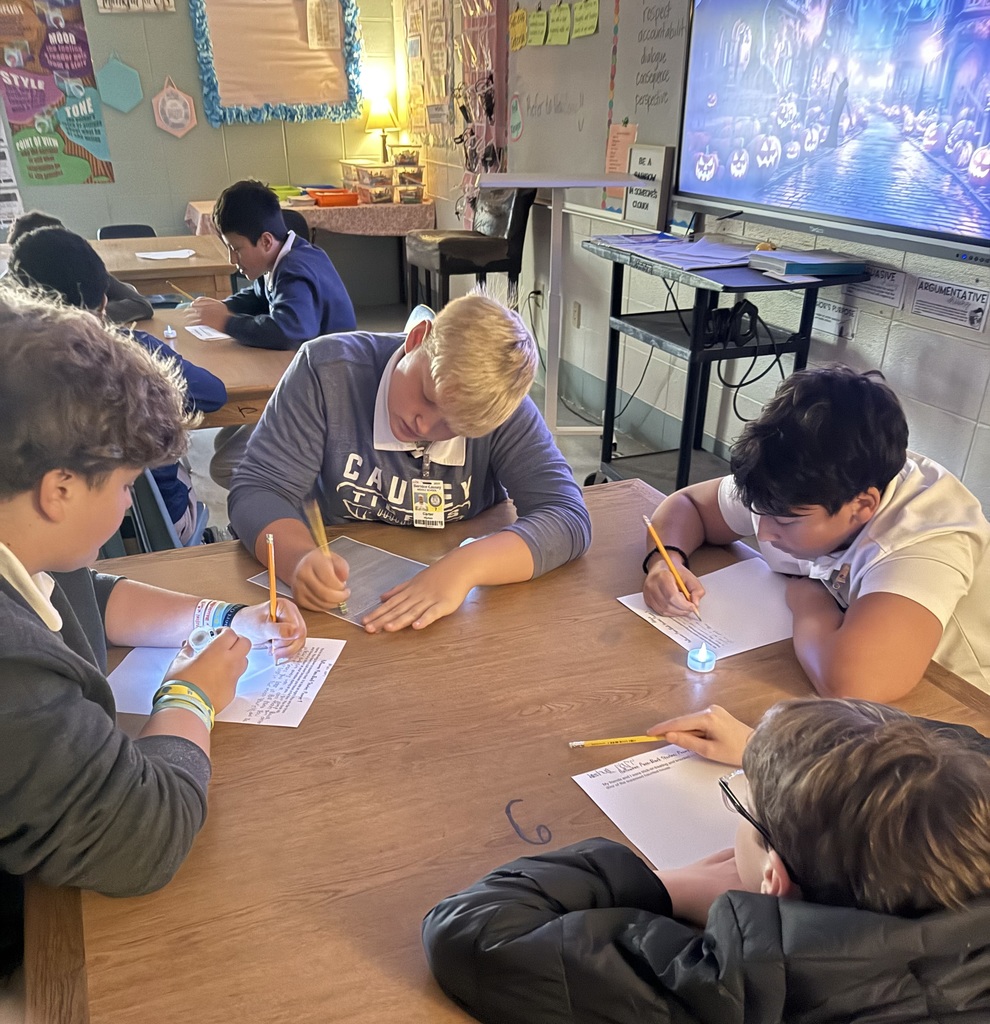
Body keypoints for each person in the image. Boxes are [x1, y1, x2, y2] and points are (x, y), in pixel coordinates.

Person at [0, 285, 306, 980]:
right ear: (61, 489)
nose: (122, 507)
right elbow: (148, 834)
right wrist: (189, 699)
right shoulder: (10, 666)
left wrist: (222, 617)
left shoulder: (23, 534)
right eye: (124, 486)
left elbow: (86, 595)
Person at [423, 699, 990, 1024]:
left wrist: (664, 886)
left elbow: (473, 931)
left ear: (775, 880)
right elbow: (964, 744)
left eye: (742, 805)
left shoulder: (737, 985)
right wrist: (777, 752)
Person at [228, 292, 592, 633]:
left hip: (456, 616)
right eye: (427, 397)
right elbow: (258, 490)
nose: (425, 427)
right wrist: (299, 560)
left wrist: (466, 566)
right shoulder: (325, 373)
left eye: (452, 426)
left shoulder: (500, 411)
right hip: (343, 604)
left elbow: (566, 515)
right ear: (417, 339)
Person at [642, 366, 990, 698]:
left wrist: (810, 603)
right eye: (759, 514)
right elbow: (688, 505)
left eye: (786, 521)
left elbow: (853, 684)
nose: (764, 534)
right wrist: (665, 561)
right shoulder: (793, 486)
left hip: (960, 701)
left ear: (863, 506)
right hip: (826, 658)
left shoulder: (923, 539)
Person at [7, 226, 225, 543]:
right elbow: (214, 394)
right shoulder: (131, 353)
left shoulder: (13, 374)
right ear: (104, 299)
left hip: (47, 540)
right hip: (156, 531)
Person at [186, 179, 357, 488]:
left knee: (224, 466)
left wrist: (225, 322)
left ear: (265, 241)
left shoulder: (294, 269)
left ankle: (294, 500)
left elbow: (288, 330)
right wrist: (222, 308)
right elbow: (258, 296)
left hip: (325, 394)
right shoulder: (286, 256)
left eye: (236, 250)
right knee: (224, 438)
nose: (233, 262)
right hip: (309, 377)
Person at [5, 210, 154, 323]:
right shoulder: (9, 290)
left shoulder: (81, 268)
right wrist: (86, 315)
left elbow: (141, 305)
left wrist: (81, 314)